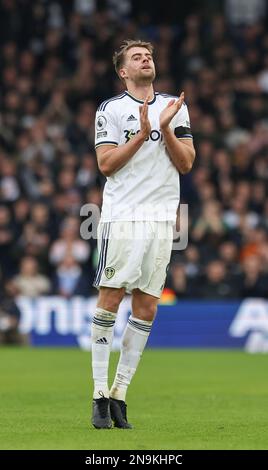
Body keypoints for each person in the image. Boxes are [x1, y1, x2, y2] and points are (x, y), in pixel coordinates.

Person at [91, 39, 195, 429]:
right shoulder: (111, 110)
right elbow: (106, 164)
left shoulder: (175, 106)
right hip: (123, 217)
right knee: (111, 298)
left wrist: (165, 129)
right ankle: (99, 394)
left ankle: (119, 395)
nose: (145, 59)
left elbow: (185, 163)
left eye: (148, 55)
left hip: (160, 219)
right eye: (136, 57)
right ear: (123, 71)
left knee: (147, 307)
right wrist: (143, 133)